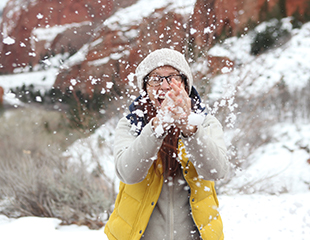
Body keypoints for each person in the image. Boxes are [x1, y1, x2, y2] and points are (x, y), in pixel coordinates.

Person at [104, 48, 229, 240]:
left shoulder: (205, 123)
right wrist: (157, 128)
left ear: (186, 86)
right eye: (155, 78)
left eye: (173, 77)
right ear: (145, 88)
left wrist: (190, 130)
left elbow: (216, 171)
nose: (164, 86)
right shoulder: (131, 124)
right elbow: (128, 173)